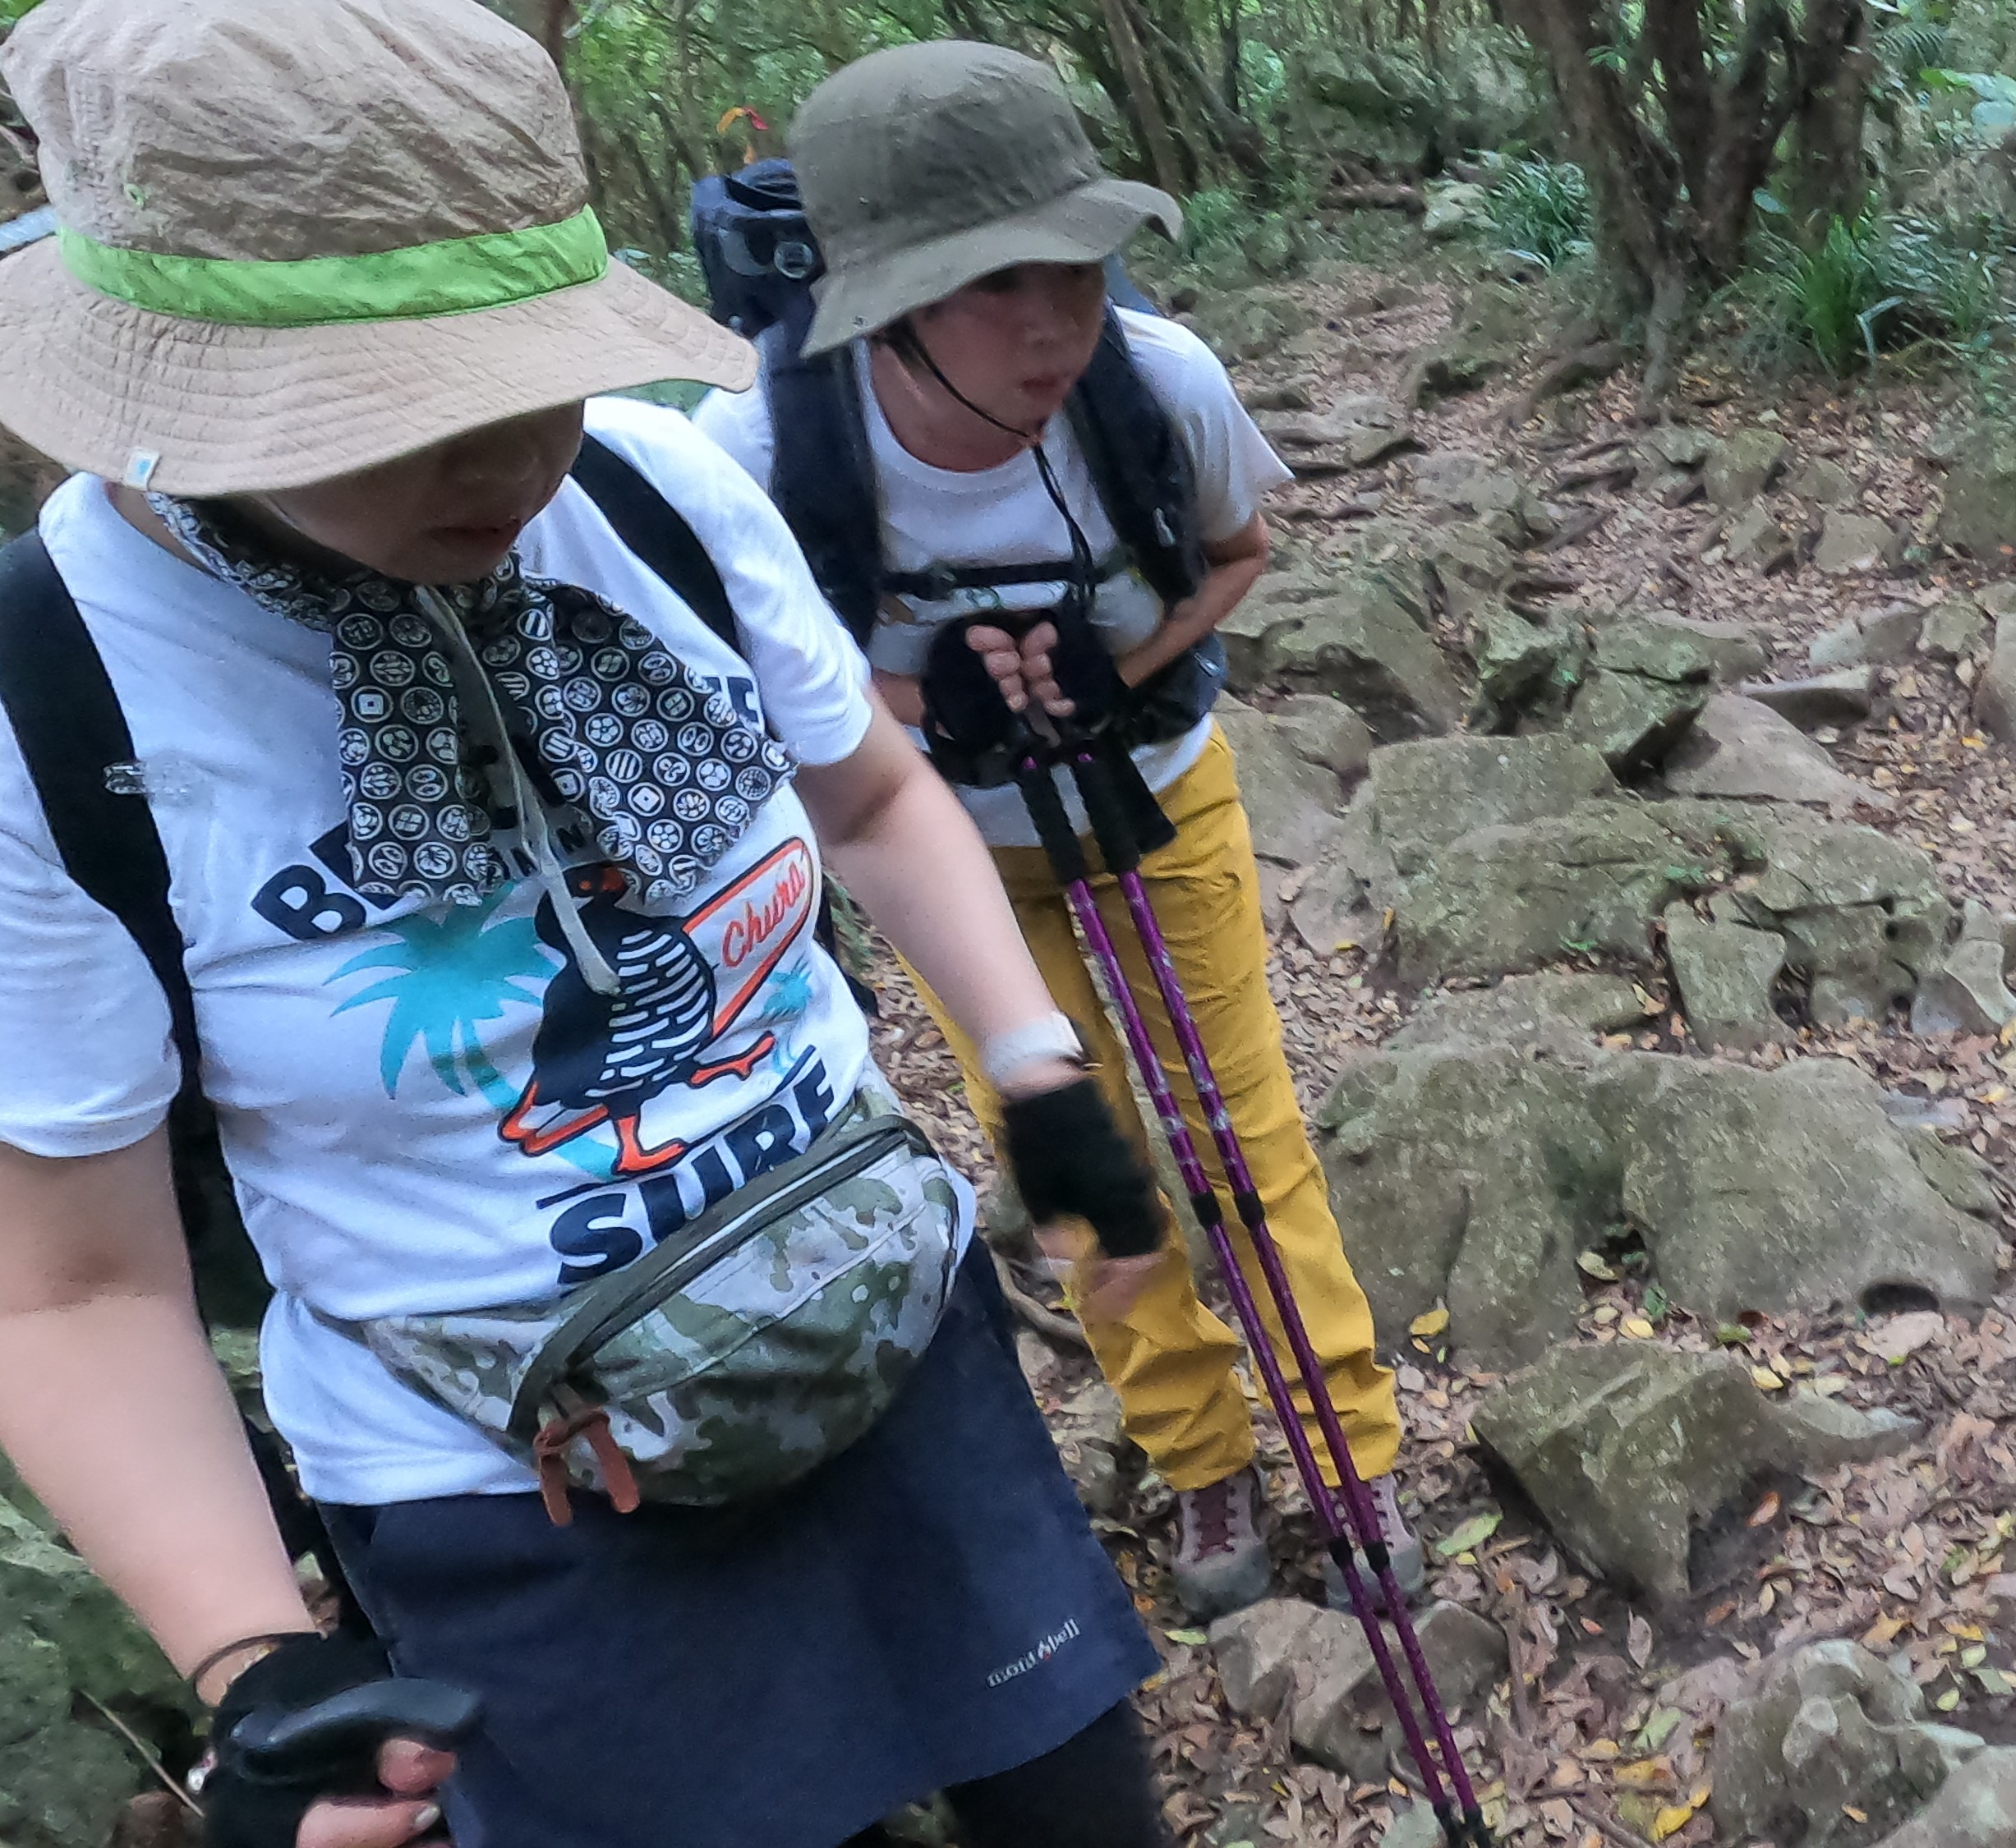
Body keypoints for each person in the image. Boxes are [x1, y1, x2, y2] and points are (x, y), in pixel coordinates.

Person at [0, 2, 1184, 1844]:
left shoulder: (653, 491)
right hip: (524, 1494)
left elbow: (861, 791)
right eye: (397, 411)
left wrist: (1035, 1072)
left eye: (536, 377)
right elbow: (75, 1282)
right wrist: (256, 1663)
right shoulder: (56, 699)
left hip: (879, 1338)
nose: (507, 466)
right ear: (184, 382)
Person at [694, 40, 1417, 1620]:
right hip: (955, 865)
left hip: (1162, 800)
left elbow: (1237, 550)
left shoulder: (1159, 383)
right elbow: (763, 700)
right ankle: (1199, 1453)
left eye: (1077, 265)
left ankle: (1342, 1447)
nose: (1053, 318)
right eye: (993, 282)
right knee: (1088, 1158)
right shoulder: (753, 452)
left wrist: (1118, 667)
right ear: (878, 292)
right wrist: (920, 693)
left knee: (1240, 1131)